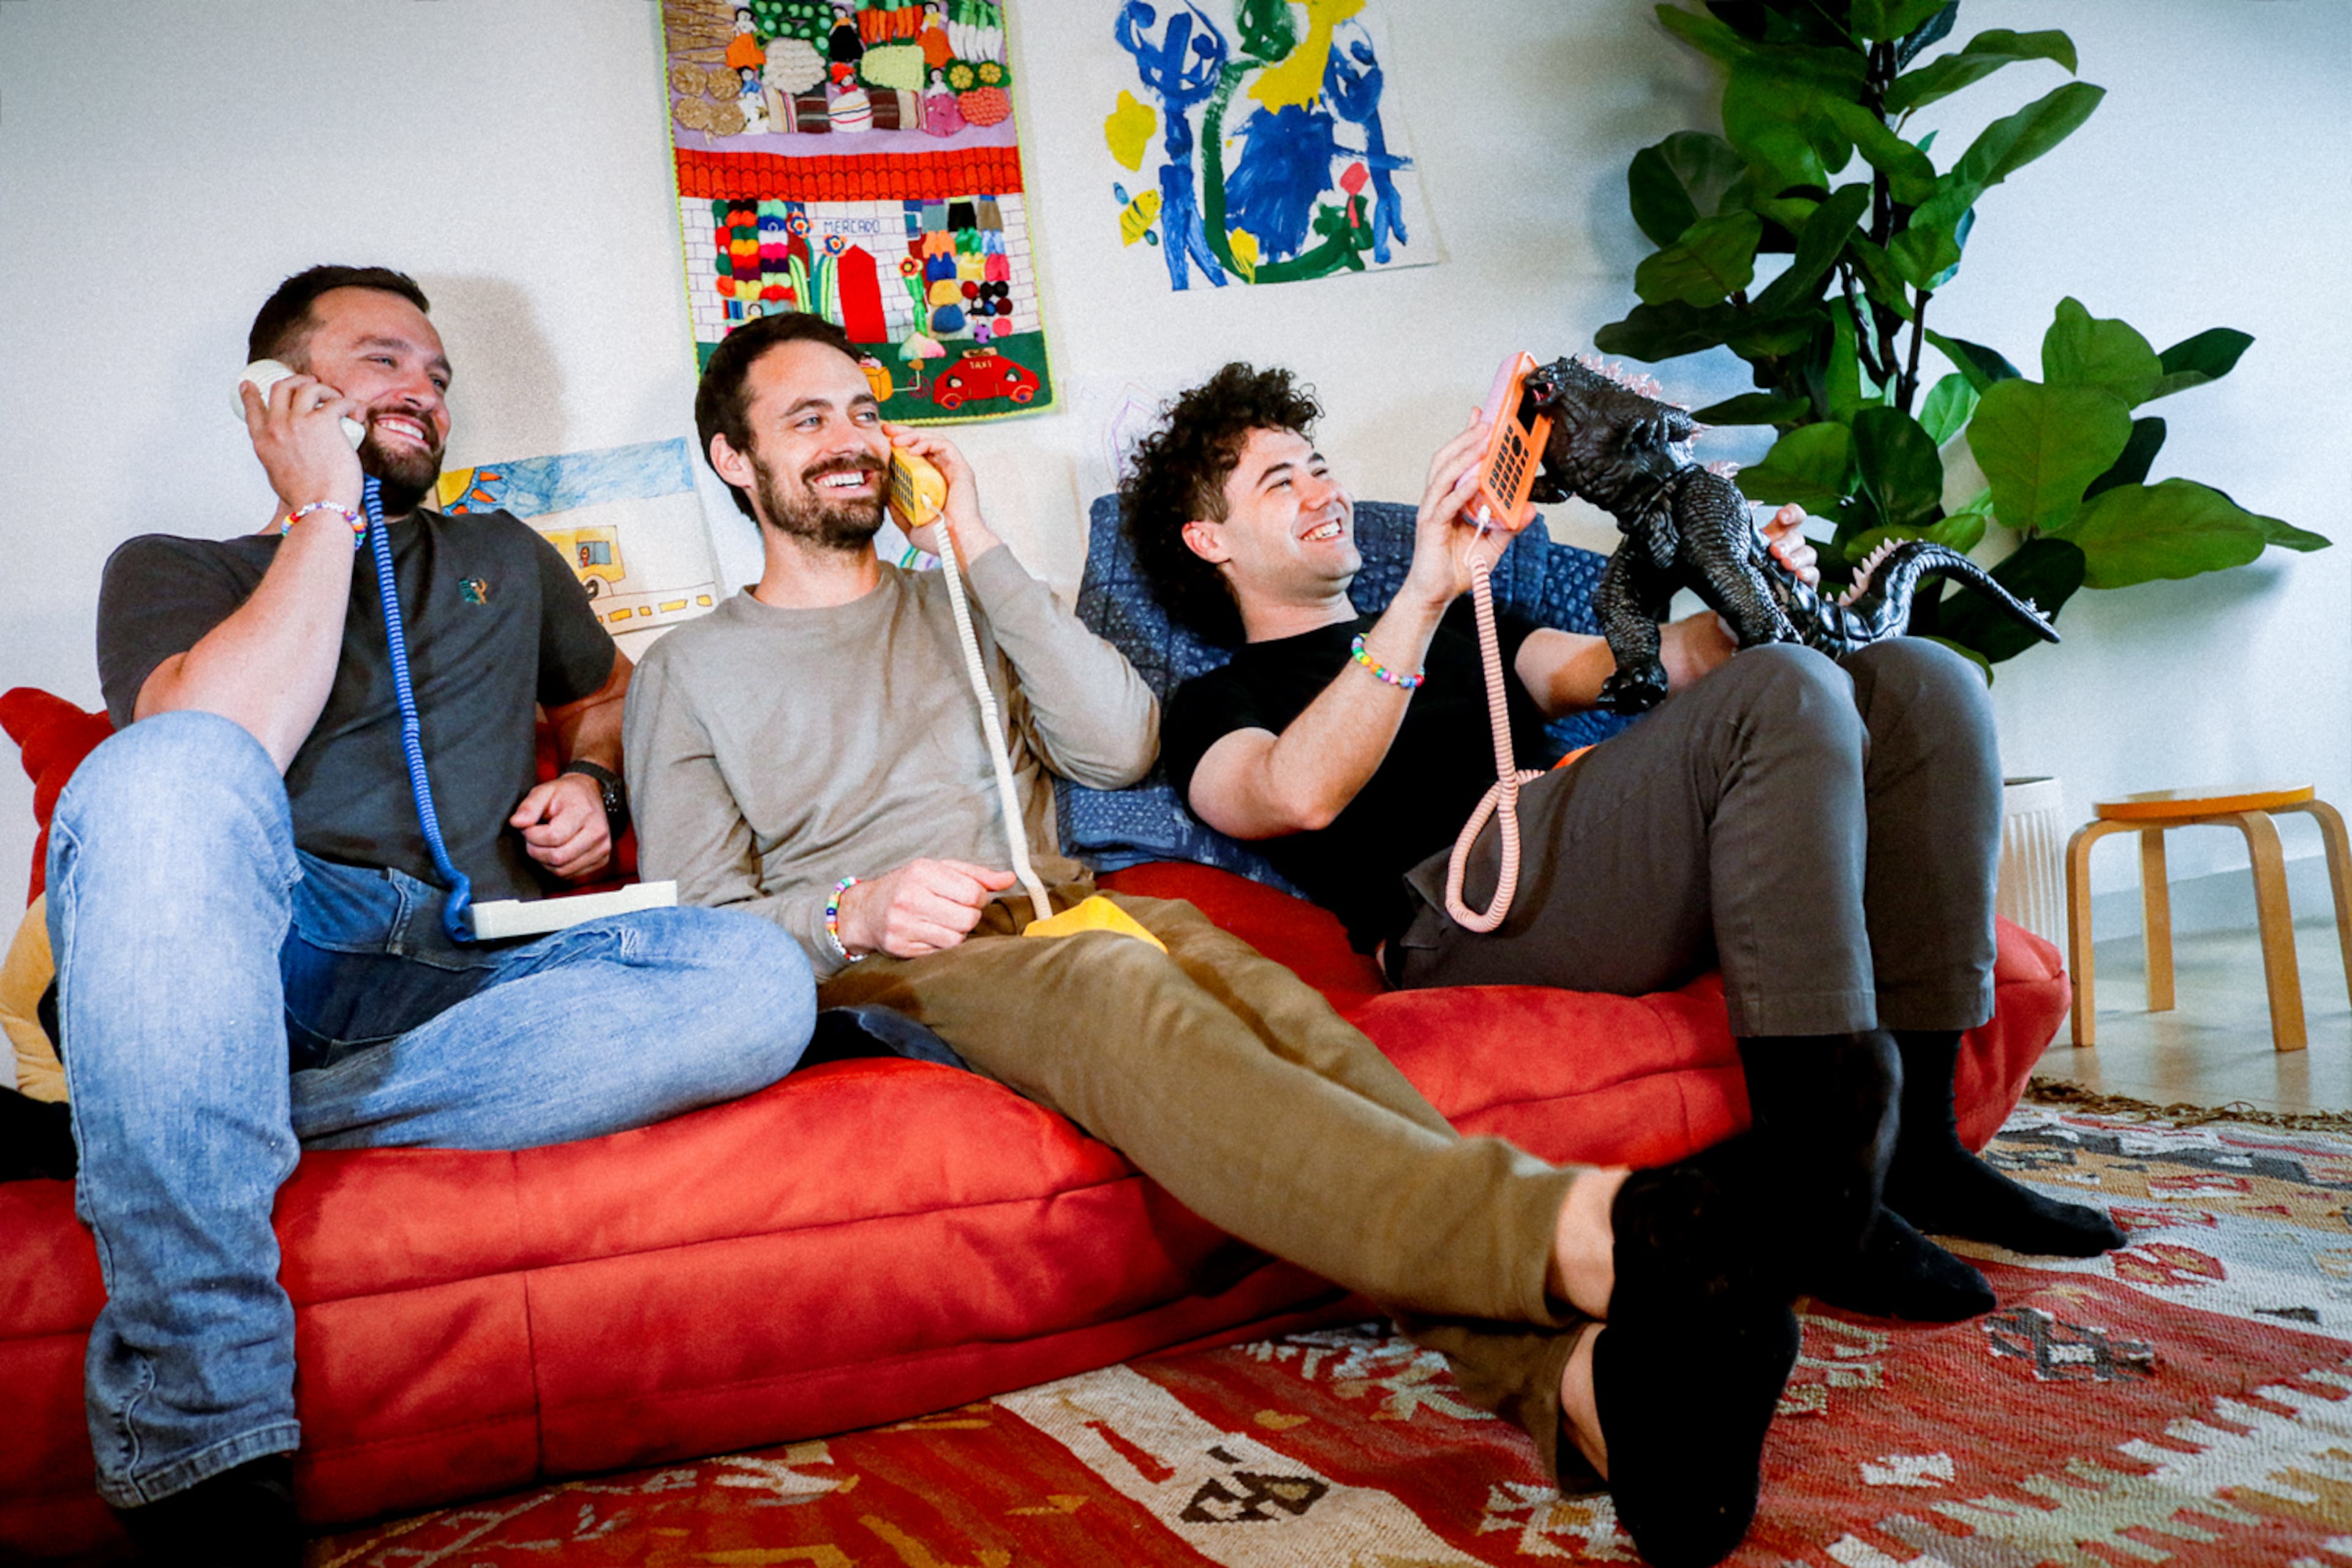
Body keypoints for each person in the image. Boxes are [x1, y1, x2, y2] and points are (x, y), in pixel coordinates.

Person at [625, 311, 1805, 1568]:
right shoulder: (686, 673)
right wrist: (848, 908)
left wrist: (971, 543)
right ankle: (1594, 1232)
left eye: (866, 412)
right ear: (731, 460)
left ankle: (1585, 1388)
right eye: (809, 419)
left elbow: (1116, 745)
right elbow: (699, 932)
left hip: (1075, 898)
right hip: (908, 956)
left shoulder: (962, 605)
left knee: (1303, 1037)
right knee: (1118, 989)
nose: (852, 440)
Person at [50, 266, 817, 1563]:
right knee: (160, 768)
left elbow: (610, 702)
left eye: (439, 375)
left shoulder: (504, 555)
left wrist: (588, 772)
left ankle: (175, 1109)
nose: (426, 391)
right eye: (384, 362)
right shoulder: (174, 567)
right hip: (267, 945)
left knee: (756, 976)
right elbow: (211, 741)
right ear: (279, 395)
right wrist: (323, 510)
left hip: (468, 972)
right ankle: (204, 1454)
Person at [1128, 363, 2127, 1330]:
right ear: (1206, 537)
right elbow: (1293, 795)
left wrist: (1749, 589)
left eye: (1318, 464)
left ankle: (1922, 1147)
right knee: (1788, 690)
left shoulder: (1485, 621)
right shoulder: (1217, 703)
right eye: (1279, 479)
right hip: (1463, 923)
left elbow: (1650, 665)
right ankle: (1821, 1197)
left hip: (1591, 872)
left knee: (1917, 677)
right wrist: (1424, 594)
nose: (1322, 490)